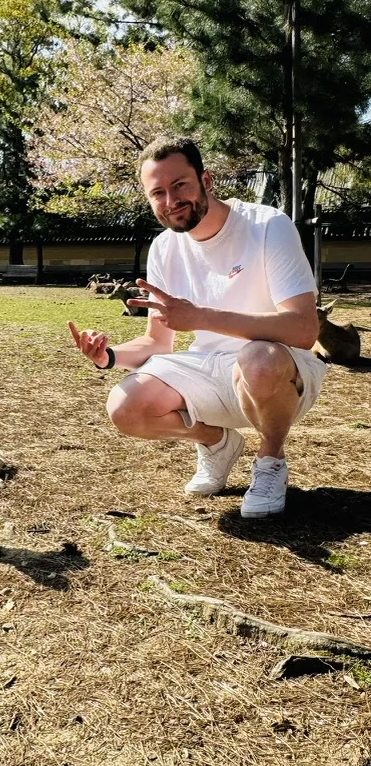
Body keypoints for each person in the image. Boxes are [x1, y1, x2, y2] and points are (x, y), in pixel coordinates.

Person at [68, 137, 325, 518]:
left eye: (180, 185)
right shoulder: (164, 249)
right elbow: (158, 343)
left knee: (258, 356)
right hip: (209, 367)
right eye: (158, 192)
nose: (171, 201)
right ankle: (216, 442)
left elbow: (305, 329)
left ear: (205, 179)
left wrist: (202, 317)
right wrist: (108, 356)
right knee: (125, 406)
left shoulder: (268, 225)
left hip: (282, 370)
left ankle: (270, 460)